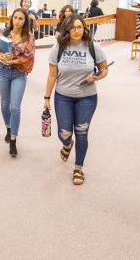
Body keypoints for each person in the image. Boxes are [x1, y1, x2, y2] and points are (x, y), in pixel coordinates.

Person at [44, 14, 108, 185]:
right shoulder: (58, 47)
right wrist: (47, 98)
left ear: (84, 28)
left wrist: (97, 77)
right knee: (64, 132)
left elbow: (104, 70)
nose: (77, 30)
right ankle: (66, 145)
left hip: (87, 97)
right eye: (73, 27)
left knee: (82, 132)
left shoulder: (93, 46)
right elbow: (52, 75)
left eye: (80, 27)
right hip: (63, 96)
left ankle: (78, 167)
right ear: (67, 29)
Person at [0, 8, 35, 158]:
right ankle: (8, 129)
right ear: (12, 18)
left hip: (18, 73)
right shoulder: (3, 32)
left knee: (15, 107)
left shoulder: (29, 37)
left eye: (21, 18)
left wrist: (11, 60)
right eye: (15, 17)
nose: (17, 21)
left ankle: (13, 139)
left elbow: (26, 58)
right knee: (4, 104)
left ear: (25, 21)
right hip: (2, 71)